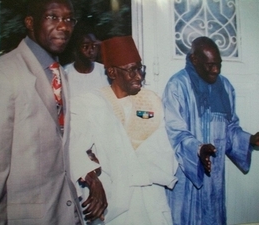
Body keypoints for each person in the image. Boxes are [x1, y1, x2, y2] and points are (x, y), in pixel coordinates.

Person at [0, 0, 84, 224]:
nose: (64, 26)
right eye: (53, 17)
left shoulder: (57, 72)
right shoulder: (0, 75)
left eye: (69, 19)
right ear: (30, 22)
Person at [69, 36, 178, 224]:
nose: (139, 76)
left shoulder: (152, 102)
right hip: (116, 203)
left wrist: (109, 161)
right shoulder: (89, 103)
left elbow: (164, 154)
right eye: (131, 70)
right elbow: (73, 146)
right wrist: (93, 176)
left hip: (151, 198)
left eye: (140, 68)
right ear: (112, 72)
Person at [162, 36, 259, 225]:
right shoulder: (177, 86)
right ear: (194, 60)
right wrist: (198, 149)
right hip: (187, 173)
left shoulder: (225, 87)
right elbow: (174, 131)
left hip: (214, 176)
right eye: (210, 65)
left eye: (219, 64)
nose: (215, 70)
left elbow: (230, 130)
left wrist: (249, 140)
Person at [63, 20, 109, 98]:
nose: (91, 51)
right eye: (85, 46)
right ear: (76, 49)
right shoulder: (65, 74)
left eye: (94, 46)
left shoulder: (104, 72)